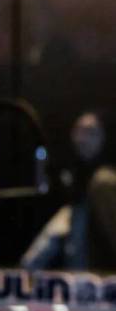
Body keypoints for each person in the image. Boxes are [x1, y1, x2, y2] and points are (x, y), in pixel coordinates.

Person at [22, 112, 116, 271]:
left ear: (105, 137)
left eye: (91, 132)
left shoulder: (104, 181)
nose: (83, 139)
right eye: (79, 131)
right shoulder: (75, 180)